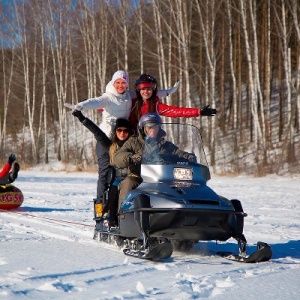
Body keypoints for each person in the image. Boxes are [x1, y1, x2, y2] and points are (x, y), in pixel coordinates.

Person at [72, 70, 179, 203]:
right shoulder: (108, 97)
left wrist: (169, 91)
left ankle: (130, 199)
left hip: (123, 137)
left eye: (123, 82)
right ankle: (100, 203)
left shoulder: (129, 95)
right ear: (113, 82)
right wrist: (81, 106)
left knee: (128, 171)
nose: (120, 85)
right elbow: (94, 102)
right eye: (118, 82)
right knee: (105, 171)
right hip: (107, 139)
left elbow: (148, 92)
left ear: (127, 84)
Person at [113, 113, 196, 207]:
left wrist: (188, 156)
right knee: (129, 182)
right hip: (139, 177)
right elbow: (118, 156)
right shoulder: (133, 142)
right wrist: (131, 157)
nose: (152, 130)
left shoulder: (166, 145)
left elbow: (178, 153)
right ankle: (123, 212)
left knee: (183, 186)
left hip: (162, 179)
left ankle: (183, 210)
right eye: (149, 127)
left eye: (155, 127)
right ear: (143, 128)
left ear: (159, 128)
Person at [72, 110, 133, 234]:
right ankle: (112, 220)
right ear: (115, 131)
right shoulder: (112, 147)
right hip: (118, 179)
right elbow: (98, 133)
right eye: (119, 130)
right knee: (114, 189)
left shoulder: (134, 144)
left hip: (134, 177)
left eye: (125, 131)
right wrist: (83, 119)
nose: (122, 133)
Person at [129, 74, 217, 131]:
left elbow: (175, 111)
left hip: (152, 140)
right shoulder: (132, 103)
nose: (146, 92)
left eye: (149, 89)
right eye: (143, 89)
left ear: (153, 90)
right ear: (138, 90)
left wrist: (198, 111)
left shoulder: (155, 105)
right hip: (133, 140)